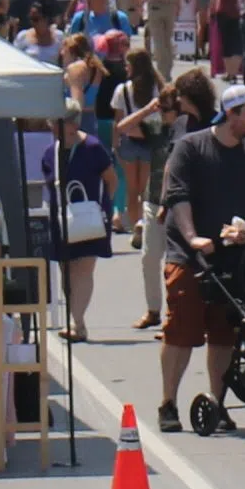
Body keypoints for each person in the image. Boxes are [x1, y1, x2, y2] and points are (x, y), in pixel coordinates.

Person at [156, 74, 245, 432]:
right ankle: (168, 403)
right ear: (231, 114)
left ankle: (217, 403)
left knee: (224, 334)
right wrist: (193, 238)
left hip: (231, 261)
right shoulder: (190, 148)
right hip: (189, 258)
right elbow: (177, 196)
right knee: (181, 330)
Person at [109, 51, 177, 331]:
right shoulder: (156, 126)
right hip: (154, 198)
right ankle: (153, 310)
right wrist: (149, 110)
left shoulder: (185, 129)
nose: (168, 111)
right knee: (150, 257)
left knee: (176, 262)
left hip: (175, 200)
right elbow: (123, 125)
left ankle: (174, 314)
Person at [55, 115, 116, 339]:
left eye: (59, 123)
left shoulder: (92, 147)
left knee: (83, 269)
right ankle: (77, 322)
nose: (54, 129)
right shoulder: (51, 152)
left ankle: (76, 322)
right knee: (66, 270)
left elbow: (111, 179)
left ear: (73, 123)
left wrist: (102, 208)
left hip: (91, 219)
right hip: (64, 220)